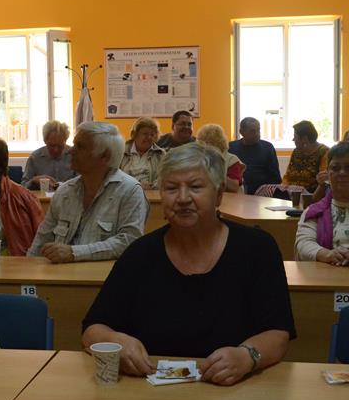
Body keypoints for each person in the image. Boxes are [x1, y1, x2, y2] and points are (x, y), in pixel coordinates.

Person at [81, 143, 296, 386]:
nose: (183, 199)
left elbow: (278, 332)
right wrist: (116, 341)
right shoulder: (141, 254)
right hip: (149, 395)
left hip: (236, 391)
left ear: (218, 195)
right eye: (172, 188)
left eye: (195, 187)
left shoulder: (257, 249)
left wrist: (248, 356)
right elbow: (92, 329)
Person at [28, 122, 149, 262]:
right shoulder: (65, 191)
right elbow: (41, 241)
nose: (70, 151)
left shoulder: (130, 191)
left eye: (80, 147)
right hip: (60, 279)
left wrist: (74, 252)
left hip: (104, 279)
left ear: (104, 157)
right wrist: (27, 275)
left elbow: (129, 241)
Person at [255, 120, 328, 198]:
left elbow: (323, 180)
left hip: (311, 197)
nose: (293, 140)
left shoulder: (324, 152)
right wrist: (283, 189)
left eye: (295, 137)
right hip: (291, 195)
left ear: (304, 139)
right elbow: (287, 176)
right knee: (264, 189)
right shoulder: (296, 152)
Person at [228, 117, 281, 195]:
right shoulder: (231, 148)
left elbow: (275, 178)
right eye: (252, 131)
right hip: (237, 194)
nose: (257, 134)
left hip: (263, 195)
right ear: (241, 132)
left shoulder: (268, 147)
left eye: (258, 130)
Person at [22, 120, 76, 190]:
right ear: (45, 140)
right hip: (42, 200)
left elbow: (83, 183)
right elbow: (23, 186)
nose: (56, 150)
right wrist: (34, 180)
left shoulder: (74, 155)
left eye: (60, 146)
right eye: (52, 146)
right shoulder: (35, 158)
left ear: (65, 141)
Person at [195, 123, 244, 193]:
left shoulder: (231, 159)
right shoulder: (198, 158)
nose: (206, 146)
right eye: (204, 142)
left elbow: (234, 187)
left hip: (231, 200)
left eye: (210, 143)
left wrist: (213, 171)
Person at [119, 117, 165, 189]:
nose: (149, 137)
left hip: (151, 194)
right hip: (125, 193)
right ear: (135, 134)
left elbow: (164, 178)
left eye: (152, 135)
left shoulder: (160, 154)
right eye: (145, 134)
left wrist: (152, 186)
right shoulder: (121, 152)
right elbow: (114, 176)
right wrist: (137, 186)